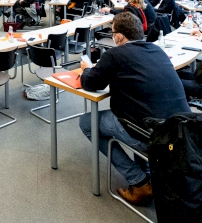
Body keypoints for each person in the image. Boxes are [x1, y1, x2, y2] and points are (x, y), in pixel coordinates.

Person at [79, 12, 190, 205]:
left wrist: (86, 68)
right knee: (142, 110)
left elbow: (90, 82)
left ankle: (139, 182)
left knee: (87, 122)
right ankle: (149, 172)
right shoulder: (157, 50)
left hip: (152, 136)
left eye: (113, 33)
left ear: (119, 36)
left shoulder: (114, 54)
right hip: (181, 134)